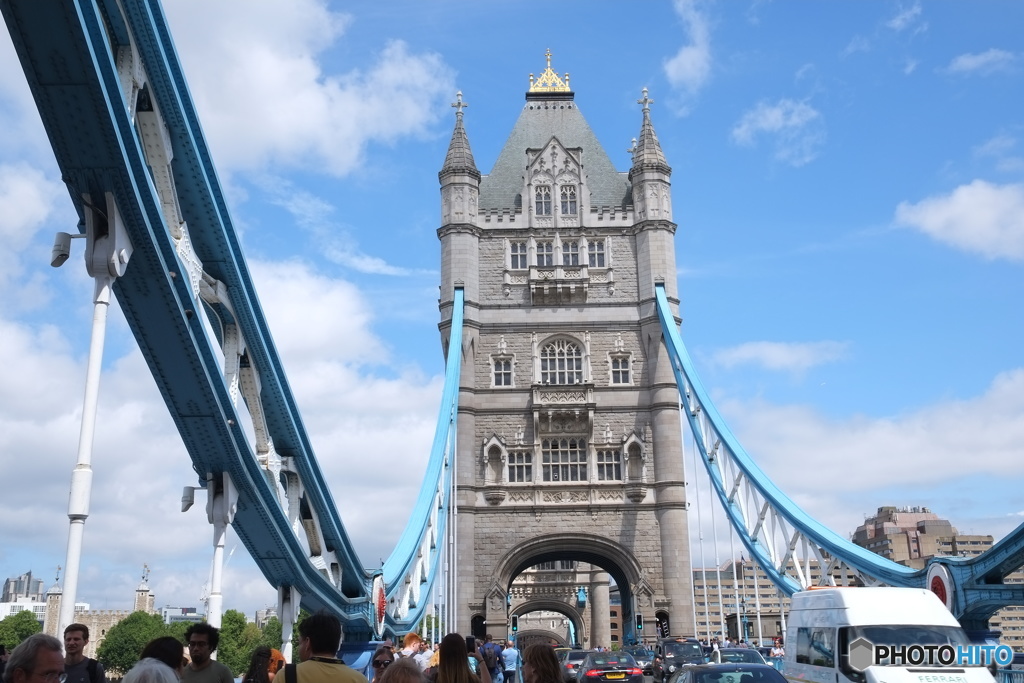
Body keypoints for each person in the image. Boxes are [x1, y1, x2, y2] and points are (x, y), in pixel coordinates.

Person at [293, 611, 368, 683]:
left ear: (307, 643)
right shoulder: (359, 679)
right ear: (337, 644)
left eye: (299, 643)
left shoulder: (287, 675)